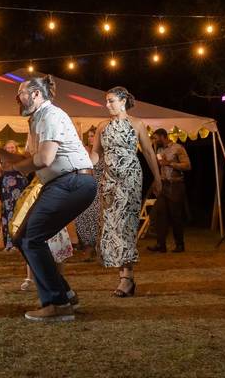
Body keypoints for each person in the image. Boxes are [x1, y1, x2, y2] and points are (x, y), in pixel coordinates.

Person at [0, 74, 97, 323]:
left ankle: (57, 304)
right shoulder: (37, 119)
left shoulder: (50, 115)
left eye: (20, 94)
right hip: (62, 183)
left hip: (72, 182)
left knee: (32, 238)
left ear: (36, 94)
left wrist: (16, 166)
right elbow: (30, 159)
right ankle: (65, 294)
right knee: (21, 238)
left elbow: (44, 159)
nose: (16, 99)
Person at [92, 86, 162, 297]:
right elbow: (95, 154)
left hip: (130, 178)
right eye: (106, 101)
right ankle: (124, 276)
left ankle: (127, 278)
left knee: (126, 225)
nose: (107, 105)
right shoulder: (102, 126)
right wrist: (83, 169)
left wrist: (157, 178)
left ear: (123, 101)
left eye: (111, 100)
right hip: (108, 180)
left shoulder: (137, 124)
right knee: (112, 225)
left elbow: (149, 152)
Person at [147, 128, 191, 253]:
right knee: (159, 214)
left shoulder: (178, 148)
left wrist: (170, 163)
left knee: (175, 216)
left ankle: (180, 245)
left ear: (163, 136)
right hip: (164, 186)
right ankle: (161, 245)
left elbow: (187, 165)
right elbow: (161, 168)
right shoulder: (159, 150)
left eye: (156, 138)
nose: (154, 140)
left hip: (176, 185)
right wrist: (157, 182)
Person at [0, 140, 29, 251]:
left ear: (16, 149)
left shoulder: (21, 160)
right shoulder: (3, 162)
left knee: (19, 217)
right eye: (8, 148)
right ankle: (9, 244)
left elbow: (26, 173)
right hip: (7, 194)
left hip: (19, 192)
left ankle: (19, 244)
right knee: (8, 217)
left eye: (12, 147)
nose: (10, 149)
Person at [73, 127, 101, 261]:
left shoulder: (102, 151)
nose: (90, 138)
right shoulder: (83, 150)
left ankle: (94, 248)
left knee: (95, 217)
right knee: (80, 217)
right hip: (84, 186)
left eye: (93, 136)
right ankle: (88, 246)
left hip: (99, 187)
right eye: (89, 136)